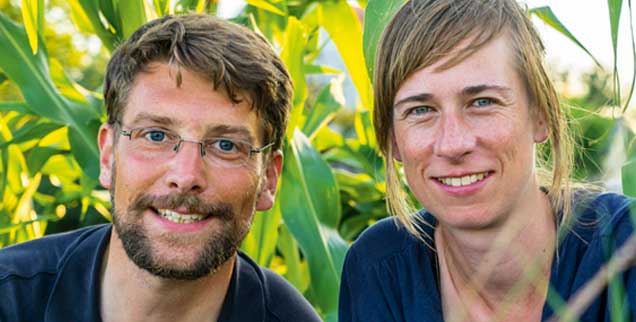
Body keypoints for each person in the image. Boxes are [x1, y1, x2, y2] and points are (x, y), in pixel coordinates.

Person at [0, 14, 322, 322]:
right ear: (108, 156)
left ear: (268, 178)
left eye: (226, 145)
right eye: (156, 136)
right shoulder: (9, 299)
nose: (185, 177)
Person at [339, 1, 636, 321]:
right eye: (421, 110)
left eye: (482, 102)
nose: (453, 144)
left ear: (541, 115)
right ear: (393, 139)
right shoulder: (380, 269)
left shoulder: (625, 248)